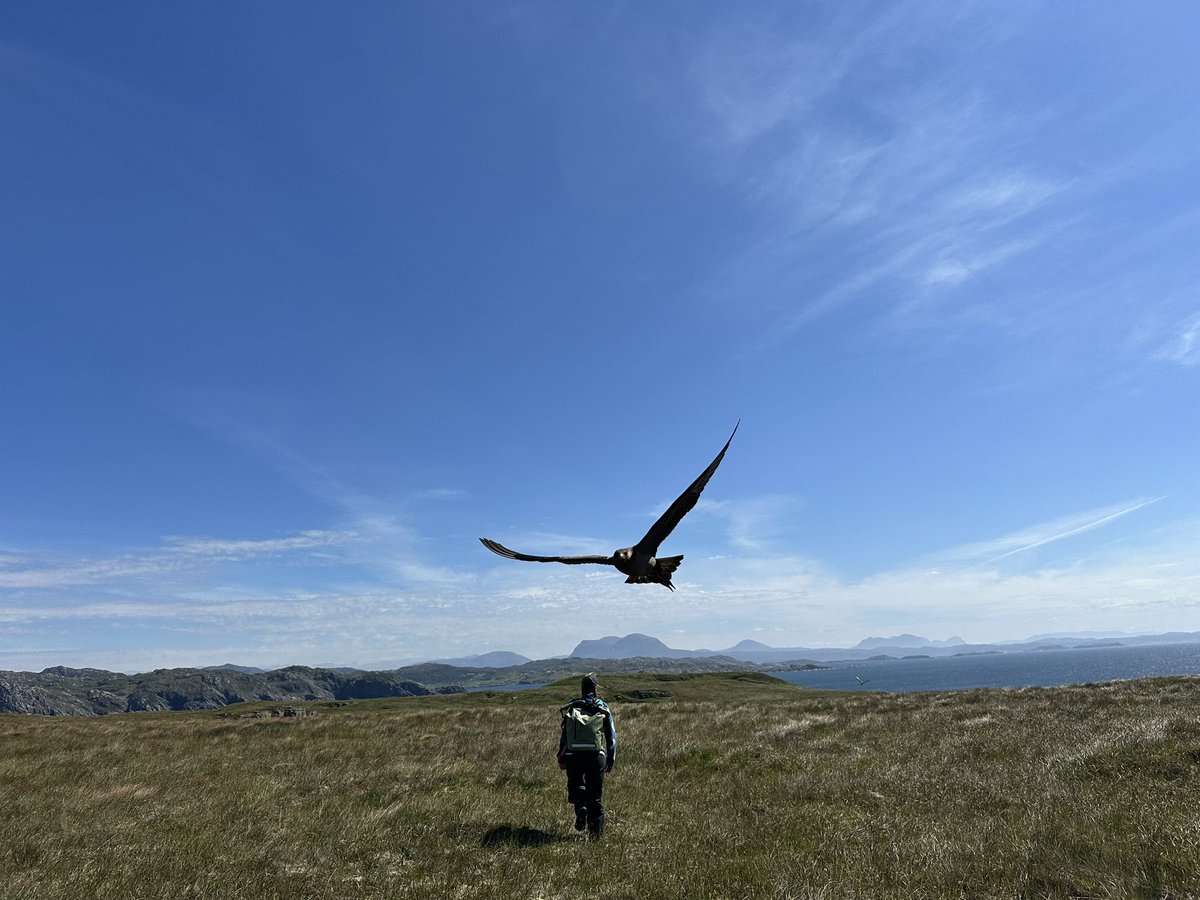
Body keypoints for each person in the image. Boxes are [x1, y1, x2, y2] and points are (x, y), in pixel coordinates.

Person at [557, 672, 617, 838]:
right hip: (596, 755)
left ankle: (581, 806)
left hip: (573, 755)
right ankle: (595, 835)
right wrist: (610, 760)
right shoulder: (602, 706)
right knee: (595, 795)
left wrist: (560, 758)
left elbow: (565, 736)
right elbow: (611, 736)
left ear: (582, 688)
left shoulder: (573, 705)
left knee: (576, 787)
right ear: (596, 688)